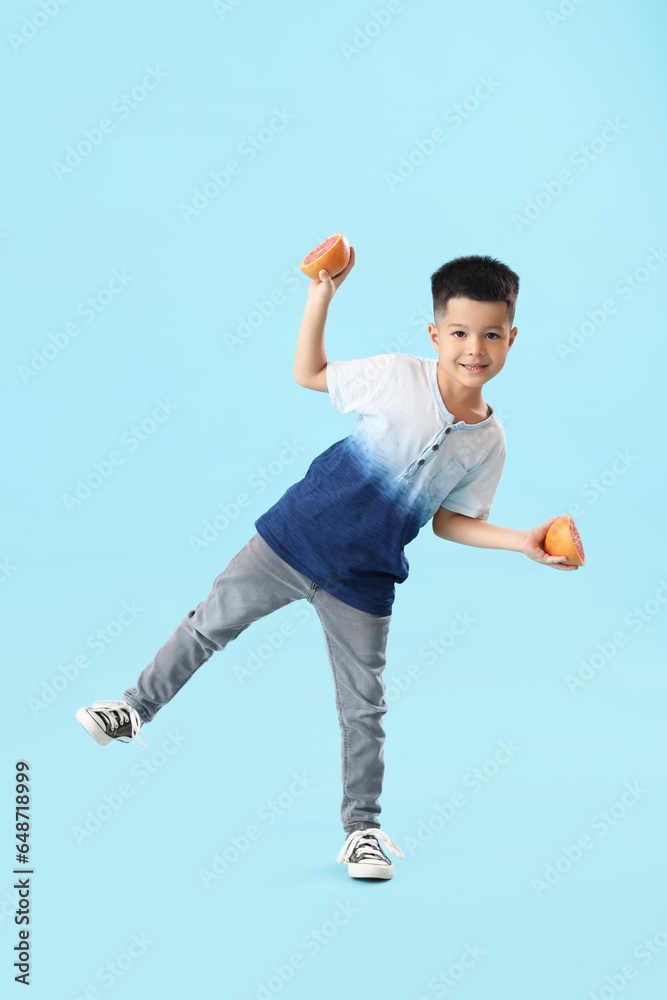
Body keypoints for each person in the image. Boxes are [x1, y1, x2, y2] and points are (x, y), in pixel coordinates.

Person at [76, 249, 577, 881]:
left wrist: (521, 540)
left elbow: (452, 520)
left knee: (363, 708)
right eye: (459, 332)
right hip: (292, 538)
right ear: (434, 334)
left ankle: (362, 832)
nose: (473, 348)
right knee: (208, 624)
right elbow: (309, 371)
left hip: (366, 581)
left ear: (511, 338)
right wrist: (322, 294)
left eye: (491, 335)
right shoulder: (398, 375)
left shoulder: (489, 441)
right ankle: (132, 711)